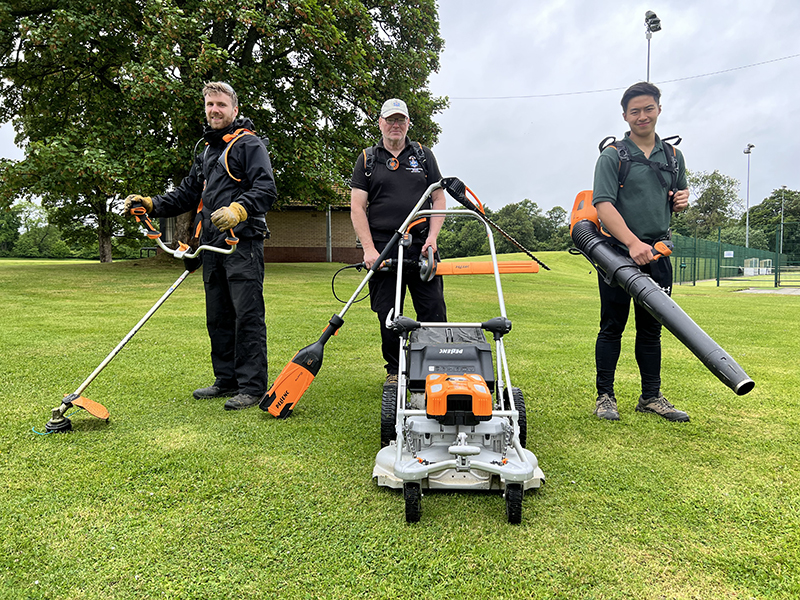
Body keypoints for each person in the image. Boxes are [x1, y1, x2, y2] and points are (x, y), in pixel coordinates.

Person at [124, 81, 277, 410]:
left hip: (242, 243)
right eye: (209, 105)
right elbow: (187, 194)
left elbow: (266, 188)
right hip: (211, 245)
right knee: (218, 316)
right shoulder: (208, 151)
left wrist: (239, 209)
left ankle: (252, 387)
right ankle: (226, 380)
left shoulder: (249, 145)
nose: (214, 110)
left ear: (234, 109)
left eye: (221, 105)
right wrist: (151, 203)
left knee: (246, 315)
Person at [591, 82, 691, 422]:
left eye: (648, 109)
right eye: (635, 111)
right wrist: (632, 244)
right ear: (625, 116)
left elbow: (675, 198)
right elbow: (603, 205)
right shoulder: (613, 155)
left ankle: (651, 396)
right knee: (612, 326)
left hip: (658, 255)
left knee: (651, 329)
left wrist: (681, 201)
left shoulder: (673, 156)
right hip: (618, 255)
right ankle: (605, 397)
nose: (642, 116)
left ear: (659, 109)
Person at [350, 98, 447, 387]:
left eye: (400, 120)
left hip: (421, 246)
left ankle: (435, 366)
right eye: (390, 120)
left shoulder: (423, 155)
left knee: (433, 309)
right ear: (380, 123)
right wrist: (369, 249)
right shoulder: (368, 159)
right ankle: (395, 371)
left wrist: (432, 238)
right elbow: (357, 207)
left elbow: (439, 198)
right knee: (389, 314)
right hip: (383, 247)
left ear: (407, 123)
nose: (395, 125)